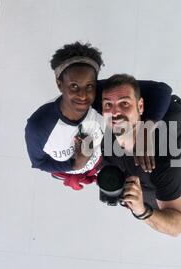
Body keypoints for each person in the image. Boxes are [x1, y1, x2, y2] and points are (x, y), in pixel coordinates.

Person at [24, 42, 172, 190]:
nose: (83, 96)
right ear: (59, 84)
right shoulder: (39, 127)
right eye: (74, 86)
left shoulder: (98, 98)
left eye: (90, 86)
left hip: (102, 161)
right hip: (76, 170)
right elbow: (39, 163)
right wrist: (75, 165)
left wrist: (144, 132)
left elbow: (162, 91)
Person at [100, 74, 181, 237]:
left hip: (154, 188)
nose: (115, 112)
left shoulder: (166, 157)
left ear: (140, 106)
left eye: (124, 103)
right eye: (108, 104)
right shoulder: (105, 139)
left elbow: (178, 225)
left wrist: (141, 211)